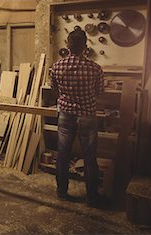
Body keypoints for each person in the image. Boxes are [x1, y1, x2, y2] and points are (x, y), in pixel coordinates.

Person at [50, 29, 104, 207]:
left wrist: (67, 99)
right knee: (90, 157)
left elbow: (55, 90)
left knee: (63, 154)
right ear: (85, 47)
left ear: (68, 45)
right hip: (87, 115)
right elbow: (99, 92)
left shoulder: (57, 66)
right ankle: (92, 197)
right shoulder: (95, 68)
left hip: (66, 115)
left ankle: (62, 192)